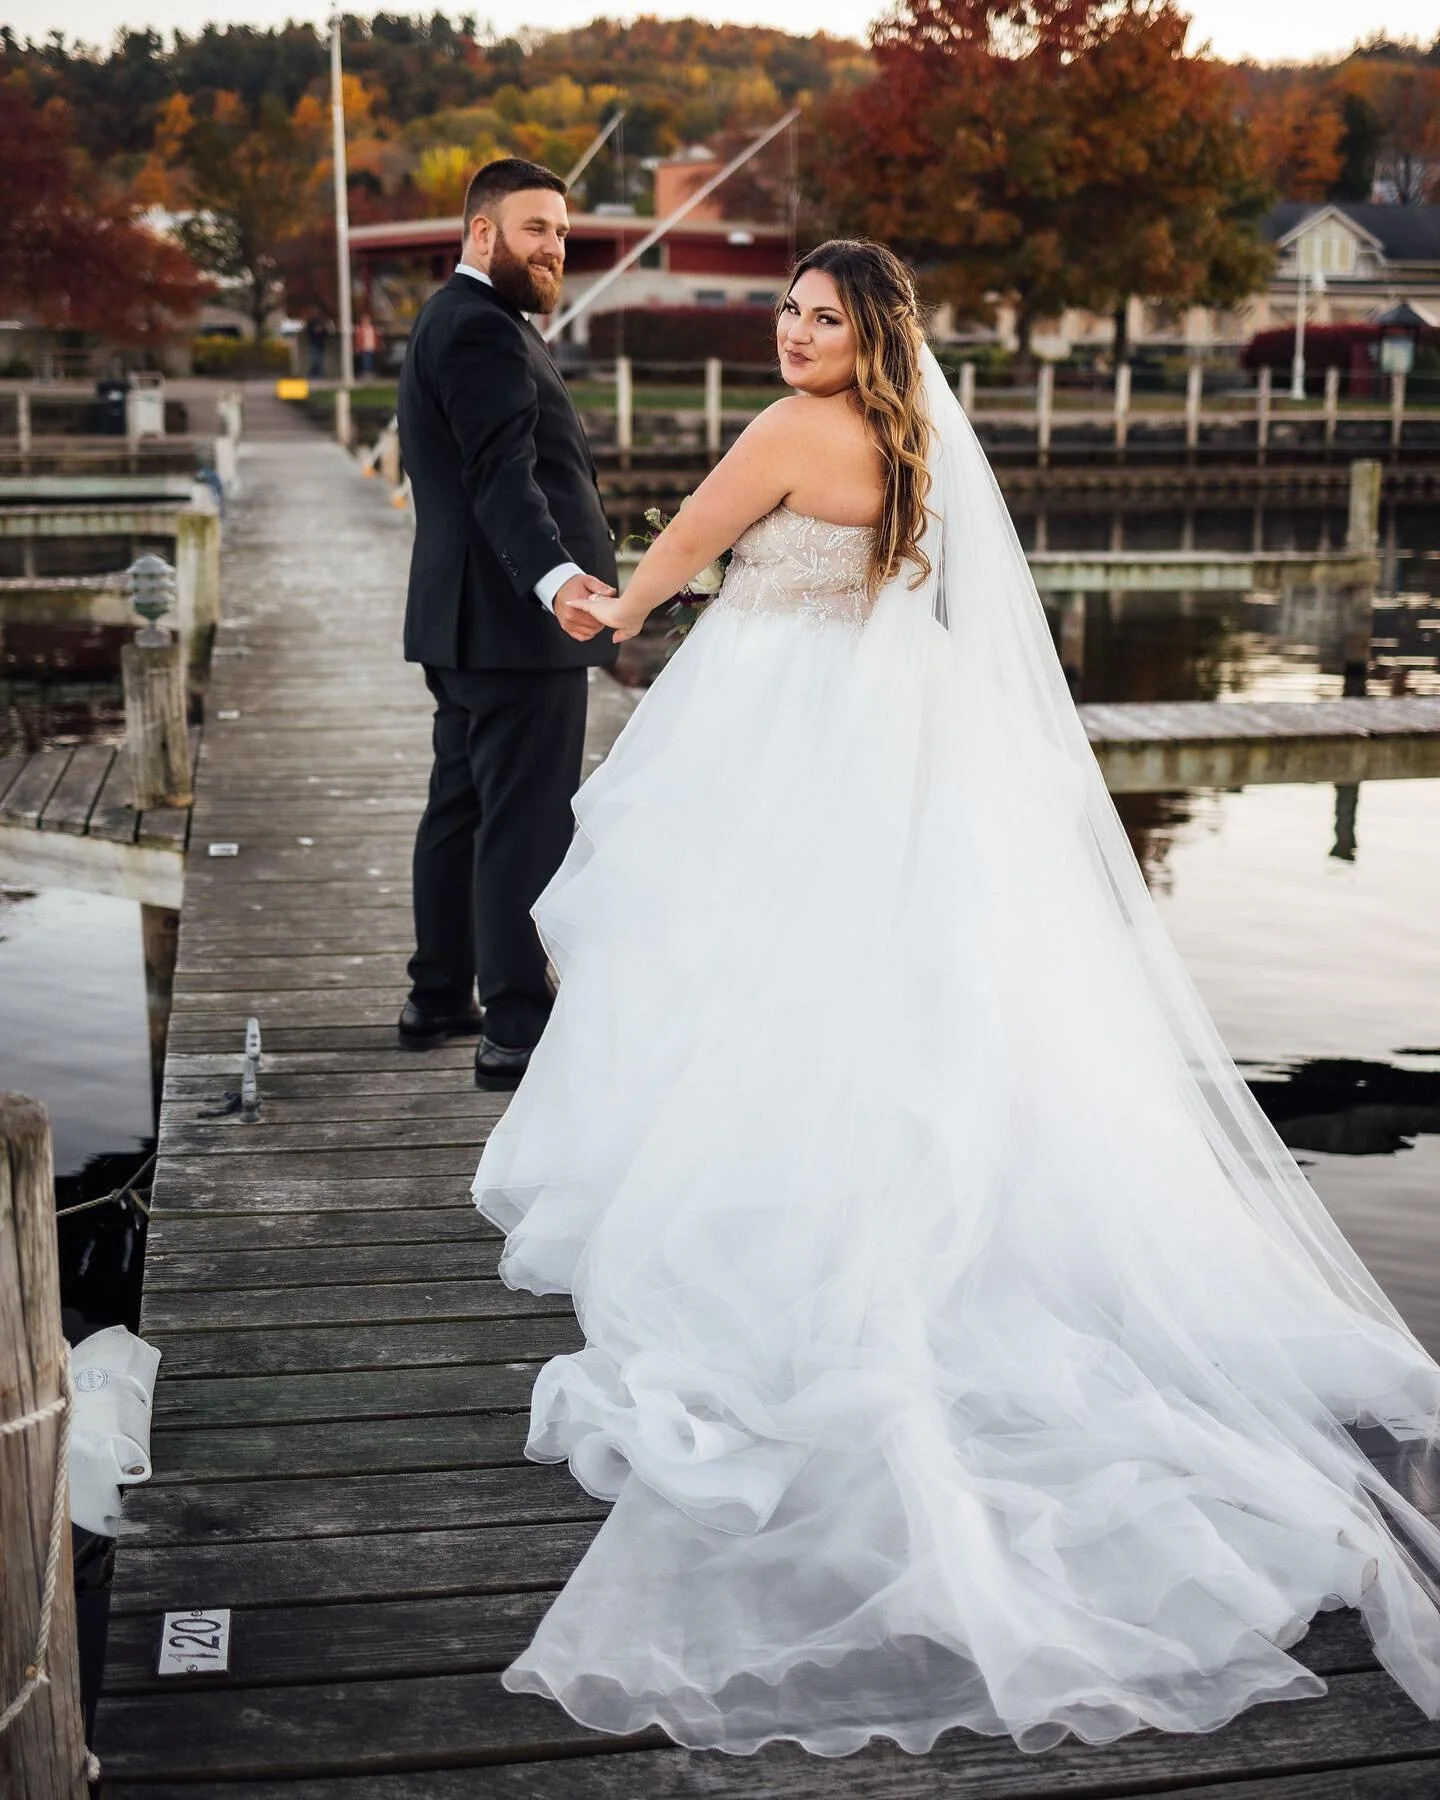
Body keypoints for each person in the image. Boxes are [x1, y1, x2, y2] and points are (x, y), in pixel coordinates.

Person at [471, 240, 1440, 1756]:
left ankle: (755, 1191)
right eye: (785, 311)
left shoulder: (793, 432)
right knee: (866, 986)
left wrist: (607, 608)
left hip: (777, 727)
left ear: (867, 336)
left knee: (729, 960)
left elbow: (674, 562)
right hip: (890, 732)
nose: (794, 334)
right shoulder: (912, 443)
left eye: (821, 316)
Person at [397, 158, 616, 1087]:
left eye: (561, 231)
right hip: (517, 628)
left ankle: (439, 995)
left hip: (463, 625)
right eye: (536, 228)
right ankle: (517, 1028)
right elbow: (502, 478)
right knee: (522, 825)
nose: (554, 246)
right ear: (483, 232)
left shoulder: (458, 320)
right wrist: (560, 578)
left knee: (462, 808)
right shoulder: (483, 331)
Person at [355, 312, 380, 378]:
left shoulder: (373, 328)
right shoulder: (360, 329)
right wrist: (358, 346)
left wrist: (377, 345)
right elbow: (358, 339)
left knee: (371, 360)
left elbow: (376, 338)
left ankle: (370, 372)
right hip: (364, 347)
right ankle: (366, 372)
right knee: (366, 360)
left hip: (372, 347)